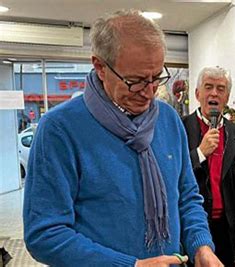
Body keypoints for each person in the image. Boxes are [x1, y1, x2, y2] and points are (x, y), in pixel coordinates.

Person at [23, 10, 223, 267]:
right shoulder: (60, 129)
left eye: (156, 78)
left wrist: (201, 245)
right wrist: (131, 265)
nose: (149, 92)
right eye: (136, 81)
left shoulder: (169, 120)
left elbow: (186, 197)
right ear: (100, 67)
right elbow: (44, 234)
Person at [182, 67, 235, 266]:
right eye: (208, 87)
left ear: (227, 97)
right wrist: (199, 153)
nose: (214, 93)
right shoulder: (180, 128)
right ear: (198, 94)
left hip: (226, 227)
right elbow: (173, 176)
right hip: (190, 226)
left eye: (220, 89)